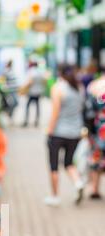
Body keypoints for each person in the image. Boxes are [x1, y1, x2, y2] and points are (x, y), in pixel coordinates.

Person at [45, 64, 85, 206]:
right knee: (69, 162)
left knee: (54, 166)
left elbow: (55, 113)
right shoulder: (79, 88)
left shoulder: (58, 88)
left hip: (58, 133)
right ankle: (78, 182)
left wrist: (49, 131)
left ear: (59, 73)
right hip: (75, 133)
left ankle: (55, 196)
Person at [86, 72, 105, 198]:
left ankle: (94, 189)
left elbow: (89, 110)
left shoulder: (95, 86)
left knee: (96, 158)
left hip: (99, 129)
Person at [23, 61, 47, 127]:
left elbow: (30, 82)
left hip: (31, 92)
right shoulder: (40, 72)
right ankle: (36, 121)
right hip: (38, 92)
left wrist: (24, 89)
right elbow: (45, 81)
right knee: (37, 106)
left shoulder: (31, 72)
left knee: (28, 106)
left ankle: (26, 120)